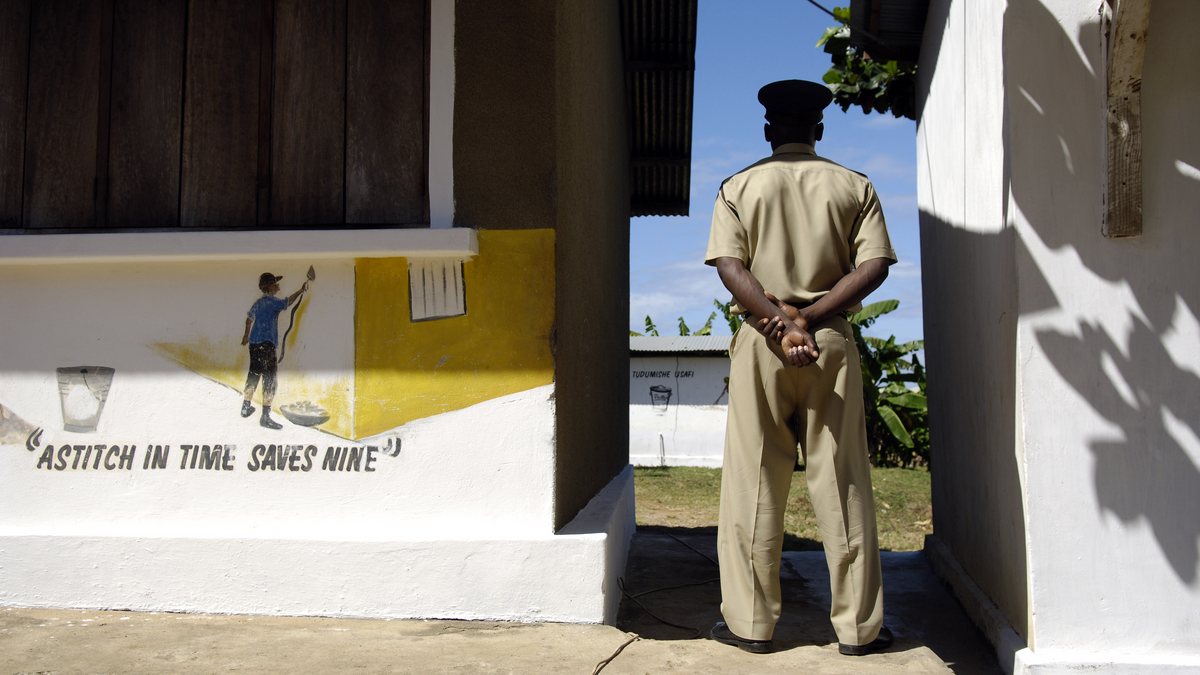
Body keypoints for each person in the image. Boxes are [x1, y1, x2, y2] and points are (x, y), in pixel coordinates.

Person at [704, 79, 897, 656]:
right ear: (818, 130)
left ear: (769, 131)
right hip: (829, 344)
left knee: (754, 481)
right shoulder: (853, 185)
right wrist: (809, 319)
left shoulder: (739, 185)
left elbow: (730, 267)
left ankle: (752, 627)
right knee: (842, 481)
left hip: (762, 346)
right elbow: (875, 266)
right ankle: (859, 631)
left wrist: (777, 324)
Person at [240, 272, 309, 429]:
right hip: (267, 344)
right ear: (268, 287)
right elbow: (288, 302)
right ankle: (265, 416)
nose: (278, 285)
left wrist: (246, 336)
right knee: (269, 379)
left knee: (253, 374)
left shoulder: (258, 303)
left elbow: (248, 319)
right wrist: (300, 290)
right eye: (275, 283)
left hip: (254, 344)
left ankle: (245, 407)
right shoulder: (272, 302)